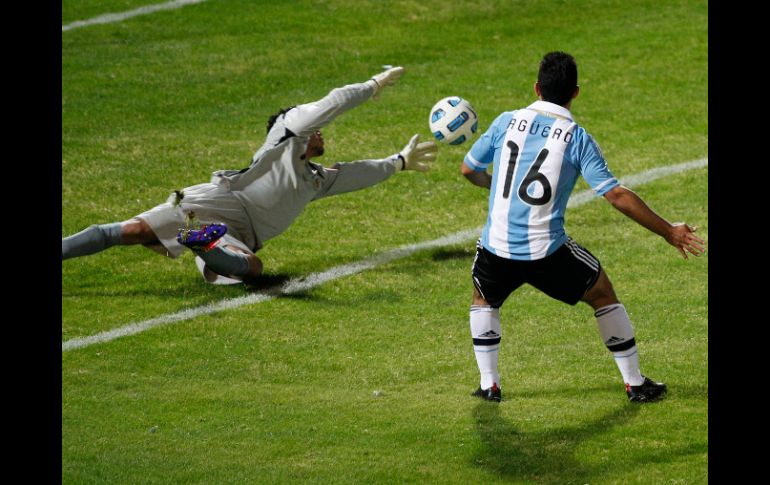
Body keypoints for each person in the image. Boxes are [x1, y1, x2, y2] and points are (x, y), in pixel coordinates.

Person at [460, 51, 705, 403]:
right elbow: (617, 196)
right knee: (602, 293)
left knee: (484, 299)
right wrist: (669, 231)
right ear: (576, 92)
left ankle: (489, 385)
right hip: (547, 252)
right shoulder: (576, 138)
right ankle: (635, 383)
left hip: (496, 247)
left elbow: (468, 169)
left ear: (536, 87)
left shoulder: (505, 122)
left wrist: (497, 186)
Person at [62, 67, 437, 284]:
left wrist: (398, 162)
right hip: (219, 201)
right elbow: (332, 104)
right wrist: (370, 86)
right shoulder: (287, 132)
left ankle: (200, 242)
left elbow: (356, 174)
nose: (322, 134)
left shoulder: (313, 179)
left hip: (240, 234)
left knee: (253, 270)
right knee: (131, 232)